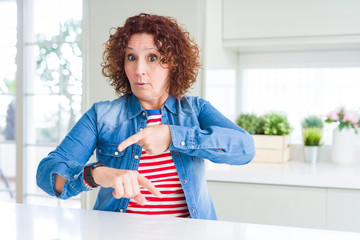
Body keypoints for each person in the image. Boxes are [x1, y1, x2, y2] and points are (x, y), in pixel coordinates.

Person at [36, 13, 255, 220]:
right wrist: (98, 174)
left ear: (173, 64)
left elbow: (245, 149)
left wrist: (173, 136)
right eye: (131, 57)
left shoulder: (195, 110)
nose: (139, 69)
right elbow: (47, 175)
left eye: (152, 57)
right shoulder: (102, 116)